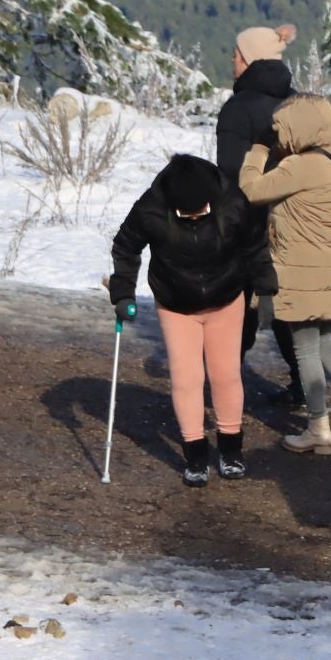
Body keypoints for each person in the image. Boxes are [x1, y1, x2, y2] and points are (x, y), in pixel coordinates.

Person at [109, 154, 275, 487]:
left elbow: (254, 244)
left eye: (201, 211)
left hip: (226, 297)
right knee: (186, 378)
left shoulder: (232, 201)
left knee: (225, 374)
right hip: (176, 303)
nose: (195, 217)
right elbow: (125, 247)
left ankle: (230, 450)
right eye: (186, 214)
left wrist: (265, 284)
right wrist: (123, 293)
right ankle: (195, 455)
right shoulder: (152, 207)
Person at [237, 94, 331, 456]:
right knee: (325, 343)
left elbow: (250, 190)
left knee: (306, 347)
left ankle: (318, 427)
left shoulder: (298, 167)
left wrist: (258, 149)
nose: (278, 135)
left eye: (283, 128)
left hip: (303, 269)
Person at [216, 23, 304, 409]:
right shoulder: (299, 104)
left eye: (236, 54)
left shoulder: (238, 108)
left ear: (249, 59)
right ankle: (305, 384)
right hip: (294, 220)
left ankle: (225, 381)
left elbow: (231, 173)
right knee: (286, 305)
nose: (232, 61)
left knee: (238, 304)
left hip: (250, 220)